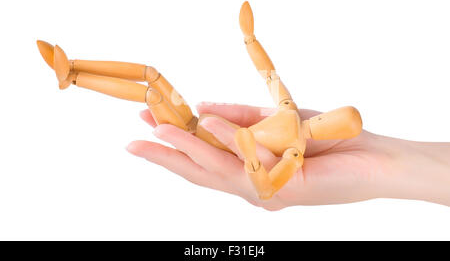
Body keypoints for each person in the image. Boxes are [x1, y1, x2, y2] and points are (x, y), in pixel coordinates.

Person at [126, 102, 450, 210]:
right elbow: (267, 70)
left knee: (154, 89)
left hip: (226, 143)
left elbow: (268, 188)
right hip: (223, 136)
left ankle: (74, 75)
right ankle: (73, 74)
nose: (327, 119)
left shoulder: (294, 150)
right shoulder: (288, 110)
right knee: (154, 83)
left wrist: (251, 158)